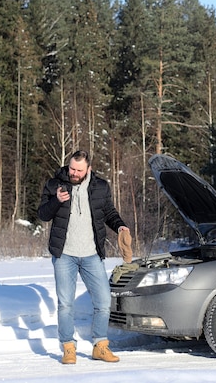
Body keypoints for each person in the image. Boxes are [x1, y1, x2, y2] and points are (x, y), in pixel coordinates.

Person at [38, 150, 129, 365]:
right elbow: (42, 214)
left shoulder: (100, 187)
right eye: (71, 169)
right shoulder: (54, 185)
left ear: (88, 169)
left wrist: (120, 226)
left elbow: (109, 213)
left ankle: (100, 345)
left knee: (104, 301)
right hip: (64, 255)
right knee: (65, 304)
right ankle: (68, 348)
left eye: (79, 170)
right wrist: (56, 201)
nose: (74, 173)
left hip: (91, 254)